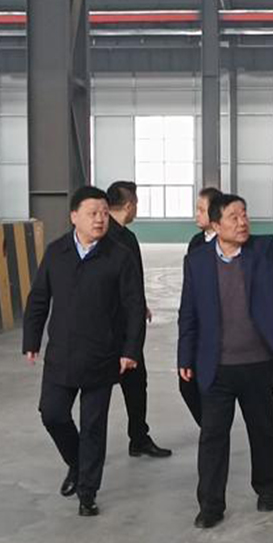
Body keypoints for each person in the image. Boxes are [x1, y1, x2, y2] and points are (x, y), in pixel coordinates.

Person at [177, 193, 273, 529]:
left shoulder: (263, 249)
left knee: (262, 430)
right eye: (233, 217)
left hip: (257, 362)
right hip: (216, 366)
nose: (242, 221)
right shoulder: (197, 261)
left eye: (244, 214)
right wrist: (185, 355)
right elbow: (188, 312)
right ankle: (210, 505)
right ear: (216, 225)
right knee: (213, 436)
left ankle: (267, 489)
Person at [23, 186, 146, 516]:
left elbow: (134, 307)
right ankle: (77, 463)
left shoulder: (119, 256)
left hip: (102, 356)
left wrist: (130, 350)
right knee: (52, 414)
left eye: (104, 213)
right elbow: (39, 299)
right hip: (61, 354)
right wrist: (31, 340)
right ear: (74, 216)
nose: (100, 219)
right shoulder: (57, 253)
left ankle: (87, 492)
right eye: (93, 213)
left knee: (93, 427)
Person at [106, 181, 172, 458]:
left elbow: (134, 279)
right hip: (106, 327)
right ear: (129, 205)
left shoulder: (128, 237)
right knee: (100, 390)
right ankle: (92, 450)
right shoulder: (103, 236)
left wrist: (139, 304)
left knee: (136, 383)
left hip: (128, 326)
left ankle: (139, 439)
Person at [180, 187, 223, 427]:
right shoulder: (196, 242)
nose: (196, 214)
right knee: (187, 385)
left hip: (218, 329)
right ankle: (209, 428)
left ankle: (213, 432)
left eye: (201, 209)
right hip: (196, 324)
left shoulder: (226, 243)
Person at [188, 187, 222, 253]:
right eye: (197, 209)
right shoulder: (195, 241)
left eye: (202, 210)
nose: (197, 214)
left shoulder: (226, 242)